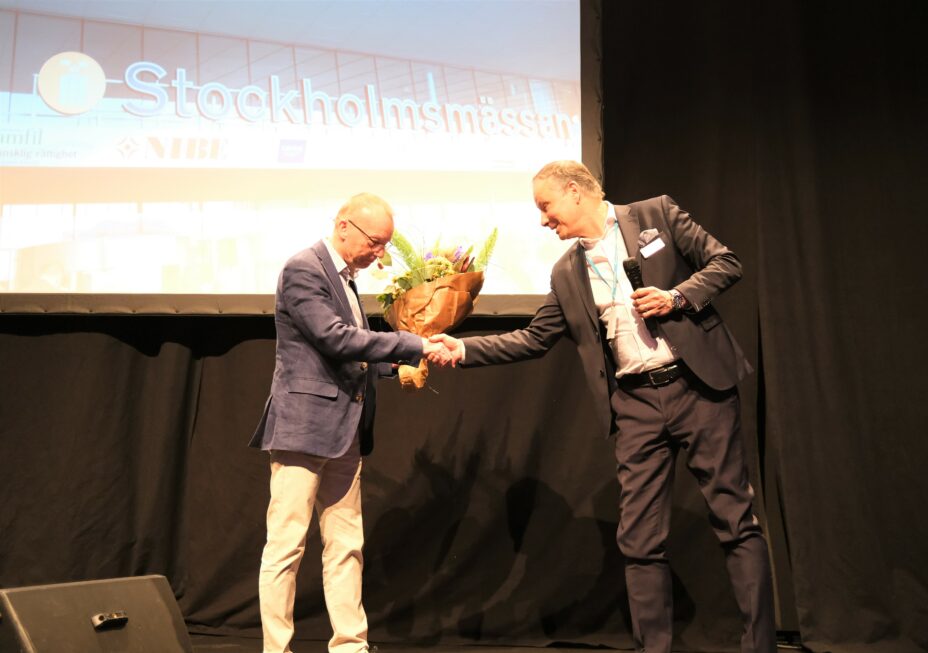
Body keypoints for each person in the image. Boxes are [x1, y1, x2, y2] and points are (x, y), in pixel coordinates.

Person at [430, 161, 776, 653]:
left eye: (546, 207)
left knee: (736, 520)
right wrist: (462, 349)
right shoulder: (567, 271)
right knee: (638, 540)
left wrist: (677, 297)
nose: (544, 220)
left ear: (574, 192)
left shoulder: (657, 215)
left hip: (698, 388)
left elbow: (726, 263)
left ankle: (758, 646)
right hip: (635, 404)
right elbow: (534, 338)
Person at [249, 192, 449, 653]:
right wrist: (411, 346)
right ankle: (276, 650)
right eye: (376, 243)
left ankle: (349, 646)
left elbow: (351, 358)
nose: (380, 253)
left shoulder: (346, 278)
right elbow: (334, 339)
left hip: (346, 432)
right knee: (286, 547)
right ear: (344, 227)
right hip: (304, 427)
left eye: (385, 245)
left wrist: (393, 369)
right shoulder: (304, 269)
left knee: (346, 545)